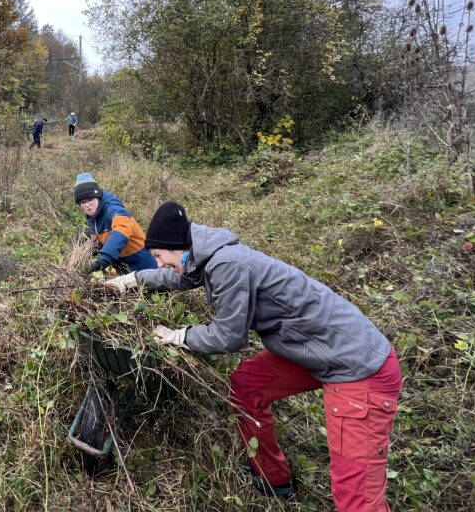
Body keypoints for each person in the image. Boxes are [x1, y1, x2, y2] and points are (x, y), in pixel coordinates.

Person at [106, 202, 401, 510]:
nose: (160, 263)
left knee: (355, 493)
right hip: (315, 348)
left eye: (158, 256)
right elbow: (179, 278)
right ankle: (272, 477)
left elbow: (228, 336)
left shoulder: (227, 264)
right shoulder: (205, 256)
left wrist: (181, 336)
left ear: (176, 247)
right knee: (247, 386)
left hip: (356, 366)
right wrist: (133, 280)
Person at [74, 172, 156, 273]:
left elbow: (122, 229)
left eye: (90, 200)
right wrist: (90, 244)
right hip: (119, 263)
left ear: (98, 197)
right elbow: (102, 236)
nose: (87, 205)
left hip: (140, 260)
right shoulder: (93, 213)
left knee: (153, 287)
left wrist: (105, 258)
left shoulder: (113, 209)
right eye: (83, 202)